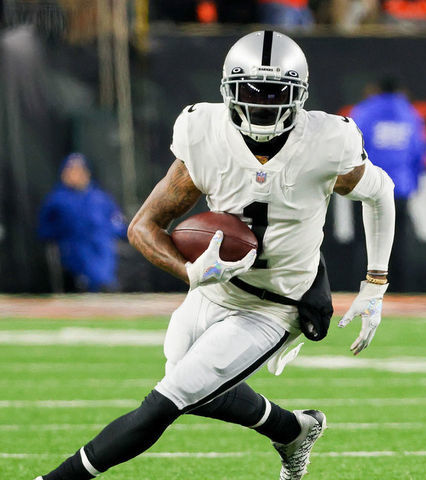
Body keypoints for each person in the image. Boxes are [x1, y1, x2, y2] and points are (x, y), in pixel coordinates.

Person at [34, 30, 395, 480]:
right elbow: (143, 227)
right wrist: (190, 270)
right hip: (216, 288)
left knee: (165, 400)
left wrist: (375, 283)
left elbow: (381, 192)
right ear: (228, 91)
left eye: (275, 94)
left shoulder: (327, 140)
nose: (263, 105)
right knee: (194, 387)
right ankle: (294, 430)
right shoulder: (203, 132)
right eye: (252, 93)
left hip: (276, 304)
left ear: (298, 96)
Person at [350, 76, 426, 292]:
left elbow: (349, 150)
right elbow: (420, 155)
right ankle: (402, 295)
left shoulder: (364, 112)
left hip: (366, 188)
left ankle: (365, 292)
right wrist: (412, 183)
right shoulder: (410, 114)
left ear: (374, 89)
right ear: (400, 90)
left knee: (366, 244)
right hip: (399, 191)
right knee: (399, 244)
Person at [38, 153, 128, 292]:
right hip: (72, 244)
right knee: (83, 253)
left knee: (105, 247)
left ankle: (105, 283)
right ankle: (101, 284)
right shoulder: (57, 199)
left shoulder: (101, 198)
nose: (75, 175)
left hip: (102, 243)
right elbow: (44, 230)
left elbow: (119, 223)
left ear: (87, 173)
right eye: (71, 171)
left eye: (79, 171)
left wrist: (112, 231)